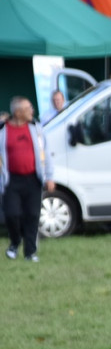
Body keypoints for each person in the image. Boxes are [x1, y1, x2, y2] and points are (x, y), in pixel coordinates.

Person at [1, 97, 54, 262]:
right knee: (12, 214)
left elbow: (46, 152)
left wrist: (49, 176)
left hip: (33, 179)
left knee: (32, 215)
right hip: (11, 180)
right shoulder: (3, 130)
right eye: (28, 108)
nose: (32, 111)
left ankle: (30, 252)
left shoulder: (36, 128)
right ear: (18, 112)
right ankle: (15, 242)